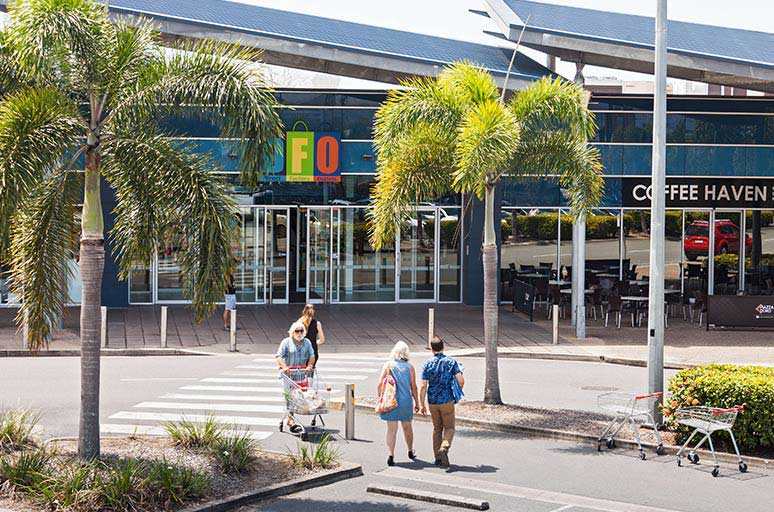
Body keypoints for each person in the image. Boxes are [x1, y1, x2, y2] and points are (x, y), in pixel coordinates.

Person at [420, 336, 464, 468]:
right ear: (443, 347)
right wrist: (456, 392)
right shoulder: (451, 362)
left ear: (431, 349)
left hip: (432, 400)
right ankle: (444, 447)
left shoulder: (427, 364)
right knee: (449, 427)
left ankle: (437, 458)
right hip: (447, 399)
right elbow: (461, 381)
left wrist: (421, 404)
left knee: (437, 428)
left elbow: (423, 385)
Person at [378, 341, 419, 467]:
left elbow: (380, 384)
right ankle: (410, 450)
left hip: (391, 401)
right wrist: (417, 402)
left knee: (391, 430)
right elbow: (414, 386)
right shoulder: (410, 367)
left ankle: (390, 454)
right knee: (407, 427)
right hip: (406, 400)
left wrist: (380, 397)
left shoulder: (388, 365)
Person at [276, 321, 316, 433]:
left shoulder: (307, 342)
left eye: (301, 331)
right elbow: (279, 356)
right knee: (289, 397)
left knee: (299, 397)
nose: (299, 333)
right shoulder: (286, 342)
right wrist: (284, 367)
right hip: (289, 375)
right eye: (296, 331)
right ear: (292, 332)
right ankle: (290, 420)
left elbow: (312, 355)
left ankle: (292, 417)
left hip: (302, 374)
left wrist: (310, 365)